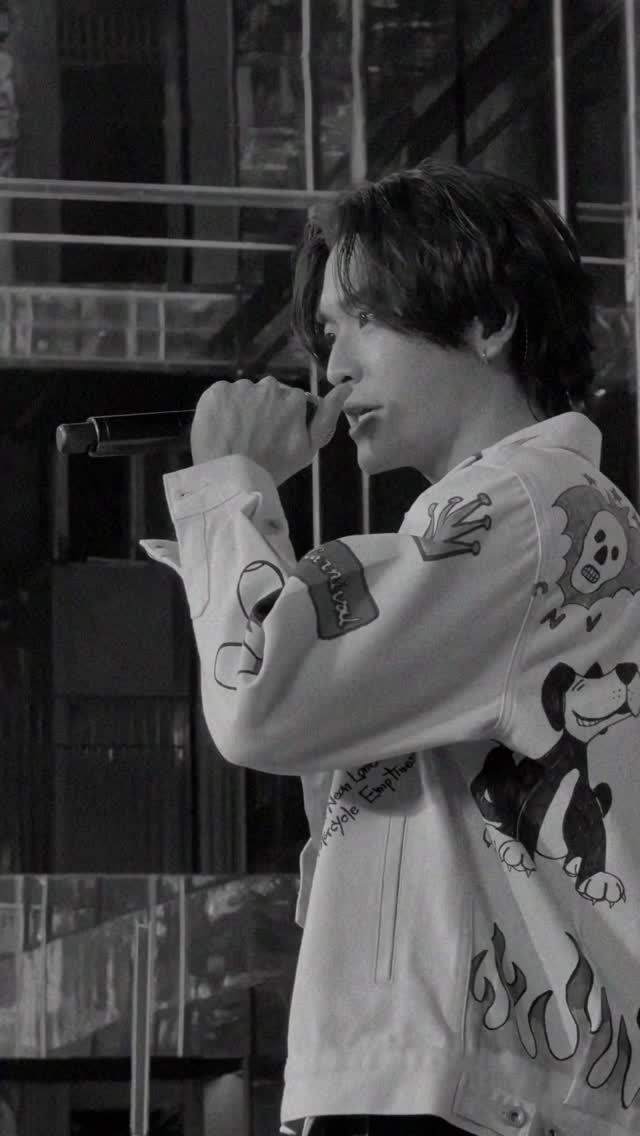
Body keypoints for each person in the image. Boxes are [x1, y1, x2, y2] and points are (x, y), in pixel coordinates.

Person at [142, 159, 640, 1136]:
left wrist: (231, 483)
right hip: (465, 1081)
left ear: (488, 320)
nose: (333, 368)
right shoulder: (498, 527)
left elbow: (261, 702)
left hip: (467, 1090)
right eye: (328, 335)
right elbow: (322, 744)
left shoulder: (526, 510)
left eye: (363, 319)